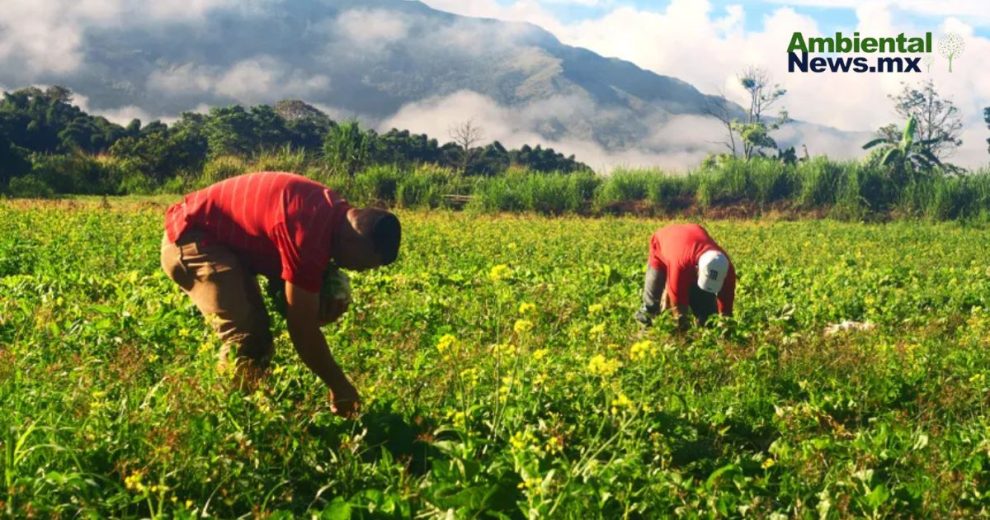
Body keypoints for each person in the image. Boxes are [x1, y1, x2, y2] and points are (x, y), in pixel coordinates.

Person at [160, 171, 400, 418]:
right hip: (191, 237)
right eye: (366, 264)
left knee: (257, 337)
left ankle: (252, 414)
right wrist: (340, 387)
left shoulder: (333, 213)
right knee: (247, 338)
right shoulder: (308, 233)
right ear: (354, 241)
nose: (361, 271)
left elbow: (295, 295)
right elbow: (302, 329)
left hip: (222, 241)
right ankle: (227, 421)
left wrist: (314, 305)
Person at [634, 223, 735, 329]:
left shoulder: (726, 268)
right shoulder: (680, 266)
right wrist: (681, 335)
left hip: (687, 246)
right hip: (662, 246)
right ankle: (644, 332)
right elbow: (679, 311)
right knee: (652, 305)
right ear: (697, 270)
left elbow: (726, 311)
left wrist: (724, 327)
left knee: (708, 316)